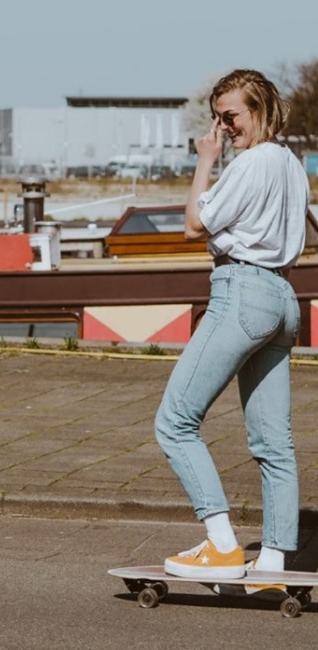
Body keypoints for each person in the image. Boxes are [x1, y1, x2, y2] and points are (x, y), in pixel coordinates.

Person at [154, 69, 308, 593]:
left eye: (232, 115)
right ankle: (273, 563)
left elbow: (194, 225)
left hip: (242, 292)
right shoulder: (291, 165)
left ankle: (221, 544)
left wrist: (204, 161)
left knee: (174, 421)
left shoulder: (251, 163)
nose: (224, 125)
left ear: (260, 110)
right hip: (285, 298)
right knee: (274, 442)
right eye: (218, 117)